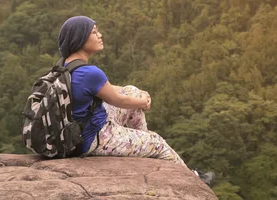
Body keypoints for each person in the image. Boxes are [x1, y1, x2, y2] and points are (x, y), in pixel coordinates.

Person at [57, 15, 214, 186]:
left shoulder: (64, 66)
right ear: (80, 39)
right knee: (157, 142)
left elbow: (105, 89)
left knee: (132, 91)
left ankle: (141, 142)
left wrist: (138, 94)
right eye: (94, 32)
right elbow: (118, 100)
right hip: (93, 137)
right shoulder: (90, 73)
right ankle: (193, 180)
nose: (100, 35)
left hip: (77, 131)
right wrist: (143, 102)